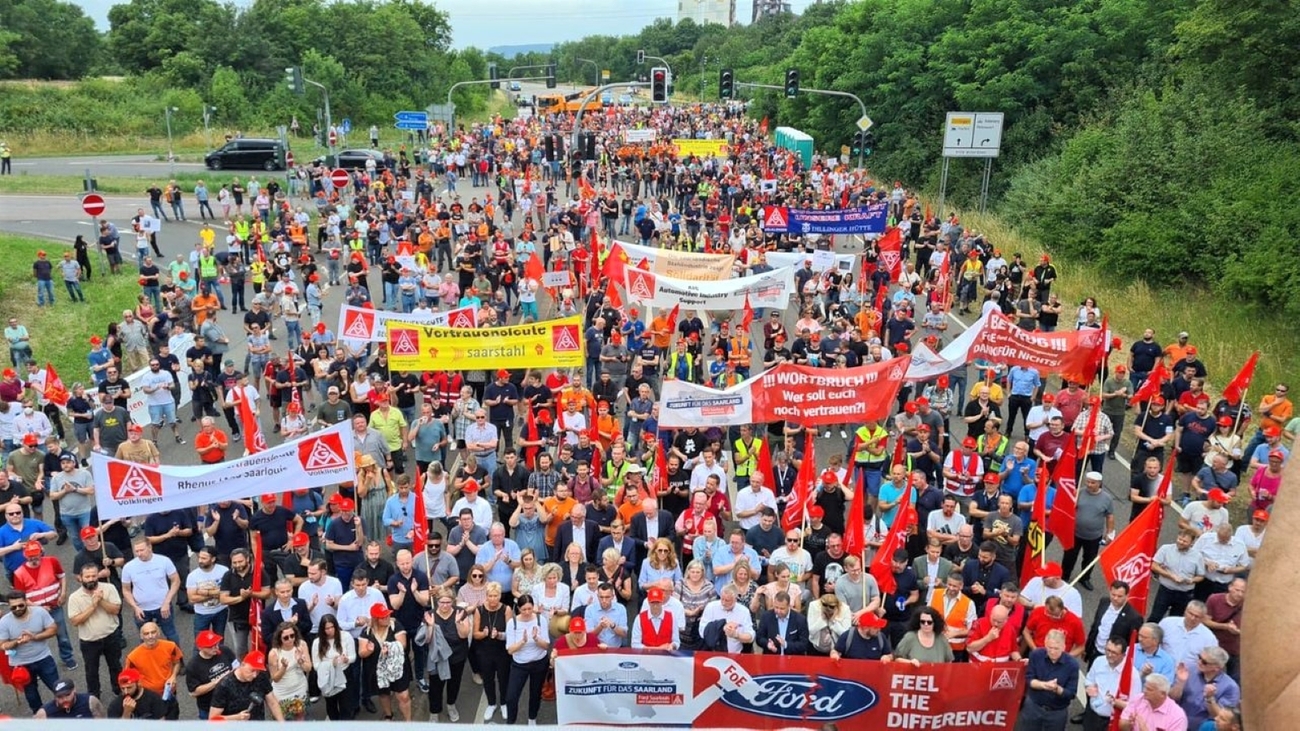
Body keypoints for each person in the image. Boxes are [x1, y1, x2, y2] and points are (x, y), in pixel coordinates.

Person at [417, 588, 472, 723]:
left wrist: (458, 622)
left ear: (453, 601)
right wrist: (430, 626)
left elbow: (464, 635)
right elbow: (427, 640)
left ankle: (451, 705)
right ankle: (434, 712)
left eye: (448, 602)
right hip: (438, 658)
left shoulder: (461, 612)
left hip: (457, 656)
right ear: (437, 601)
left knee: (454, 683)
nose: (445, 605)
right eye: (442, 602)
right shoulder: (430, 615)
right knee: (435, 686)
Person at [0, 589, 59, 713]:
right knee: (31, 695)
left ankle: (64, 710)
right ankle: (39, 717)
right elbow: (2, 645)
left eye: (21, 605)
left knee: (58, 688)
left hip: (43, 658)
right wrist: (16, 642)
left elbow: (53, 630)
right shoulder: (4, 622)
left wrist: (35, 637)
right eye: (13, 607)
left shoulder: (40, 612)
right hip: (20, 664)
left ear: (26, 602)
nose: (17, 609)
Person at [358, 602, 413, 722]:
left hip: (397, 667)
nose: (387, 618)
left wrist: (390, 648)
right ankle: (389, 715)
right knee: (383, 694)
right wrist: (368, 650)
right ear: (376, 619)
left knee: (403, 696)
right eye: (383, 617)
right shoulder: (366, 632)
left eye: (387, 615)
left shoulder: (395, 625)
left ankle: (408, 722)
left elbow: (403, 644)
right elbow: (361, 653)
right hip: (378, 669)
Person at [504, 593, 550, 726]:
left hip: (539, 663)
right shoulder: (512, 623)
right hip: (520, 664)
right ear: (518, 609)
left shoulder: (541, 620)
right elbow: (510, 650)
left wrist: (536, 638)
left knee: (535, 694)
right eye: (524, 609)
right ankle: (511, 723)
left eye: (530, 608)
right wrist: (522, 641)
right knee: (511, 697)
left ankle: (532, 718)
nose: (527, 612)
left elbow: (546, 645)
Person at [1021, 629, 1080, 730]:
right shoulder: (1036, 655)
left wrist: (1057, 689)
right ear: (1045, 644)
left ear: (1064, 647)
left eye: (1056, 648)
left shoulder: (1072, 665)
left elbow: (1071, 693)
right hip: (1033, 707)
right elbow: (1029, 679)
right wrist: (1043, 685)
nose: (1052, 652)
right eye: (1049, 648)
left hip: (1056, 713)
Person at [473, 581, 513, 722]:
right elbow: (475, 634)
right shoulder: (479, 610)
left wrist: (500, 635)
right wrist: (483, 634)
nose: (493, 599)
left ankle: (503, 703)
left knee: (504, 678)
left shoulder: (506, 609)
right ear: (486, 596)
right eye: (490, 595)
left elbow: (511, 633)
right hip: (484, 650)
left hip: (502, 650)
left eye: (496, 596)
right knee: (488, 679)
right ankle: (491, 703)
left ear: (500, 596)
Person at [209, 651, 286, 721]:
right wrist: (237, 717)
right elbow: (213, 719)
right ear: (242, 664)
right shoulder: (224, 686)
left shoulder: (261, 677)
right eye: (252, 670)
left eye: (258, 671)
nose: (255, 675)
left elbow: (272, 702)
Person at [312, 613, 357, 720]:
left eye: (332, 627)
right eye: (326, 628)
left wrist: (347, 659)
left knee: (346, 705)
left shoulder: (346, 636)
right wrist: (330, 665)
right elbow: (316, 665)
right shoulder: (317, 642)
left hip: (345, 674)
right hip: (327, 677)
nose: (330, 630)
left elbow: (353, 657)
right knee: (331, 706)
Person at [184, 629, 236, 720]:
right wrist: (217, 682)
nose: (216, 647)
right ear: (200, 648)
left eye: (216, 643)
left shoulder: (225, 650)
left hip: (231, 702)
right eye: (210, 646)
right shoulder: (193, 666)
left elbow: (237, 666)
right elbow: (193, 692)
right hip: (209, 707)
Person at [1082, 637, 1132, 731]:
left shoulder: (1132, 675)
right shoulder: (1099, 661)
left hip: (1112, 721)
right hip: (1092, 715)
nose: (1109, 655)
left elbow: (1134, 705)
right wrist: (1089, 686)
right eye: (1108, 650)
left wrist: (1115, 702)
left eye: (1114, 653)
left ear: (1123, 655)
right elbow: (1089, 679)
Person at [1118, 673, 1188, 731]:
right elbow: (1123, 726)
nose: (1144, 691)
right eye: (1145, 687)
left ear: (1162, 694)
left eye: (1149, 689)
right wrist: (1126, 724)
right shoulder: (1138, 699)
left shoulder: (1177, 716)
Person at [33, 677, 105, 718]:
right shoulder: (44, 713)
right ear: (54, 696)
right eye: (59, 697)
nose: (64, 699)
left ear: (74, 690)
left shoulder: (90, 701)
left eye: (67, 695)